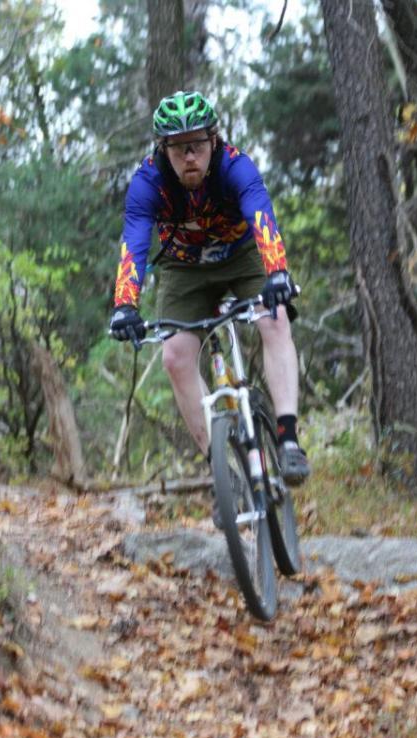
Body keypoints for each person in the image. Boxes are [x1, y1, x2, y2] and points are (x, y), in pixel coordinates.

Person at [109, 89, 310, 509]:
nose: (189, 157)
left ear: (214, 140)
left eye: (197, 145)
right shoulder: (148, 182)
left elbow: (260, 213)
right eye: (178, 148)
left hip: (242, 256)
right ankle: (222, 473)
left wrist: (277, 272)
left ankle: (288, 440)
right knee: (174, 357)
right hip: (184, 268)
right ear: (162, 149)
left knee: (274, 320)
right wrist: (125, 305)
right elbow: (134, 243)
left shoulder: (235, 165)